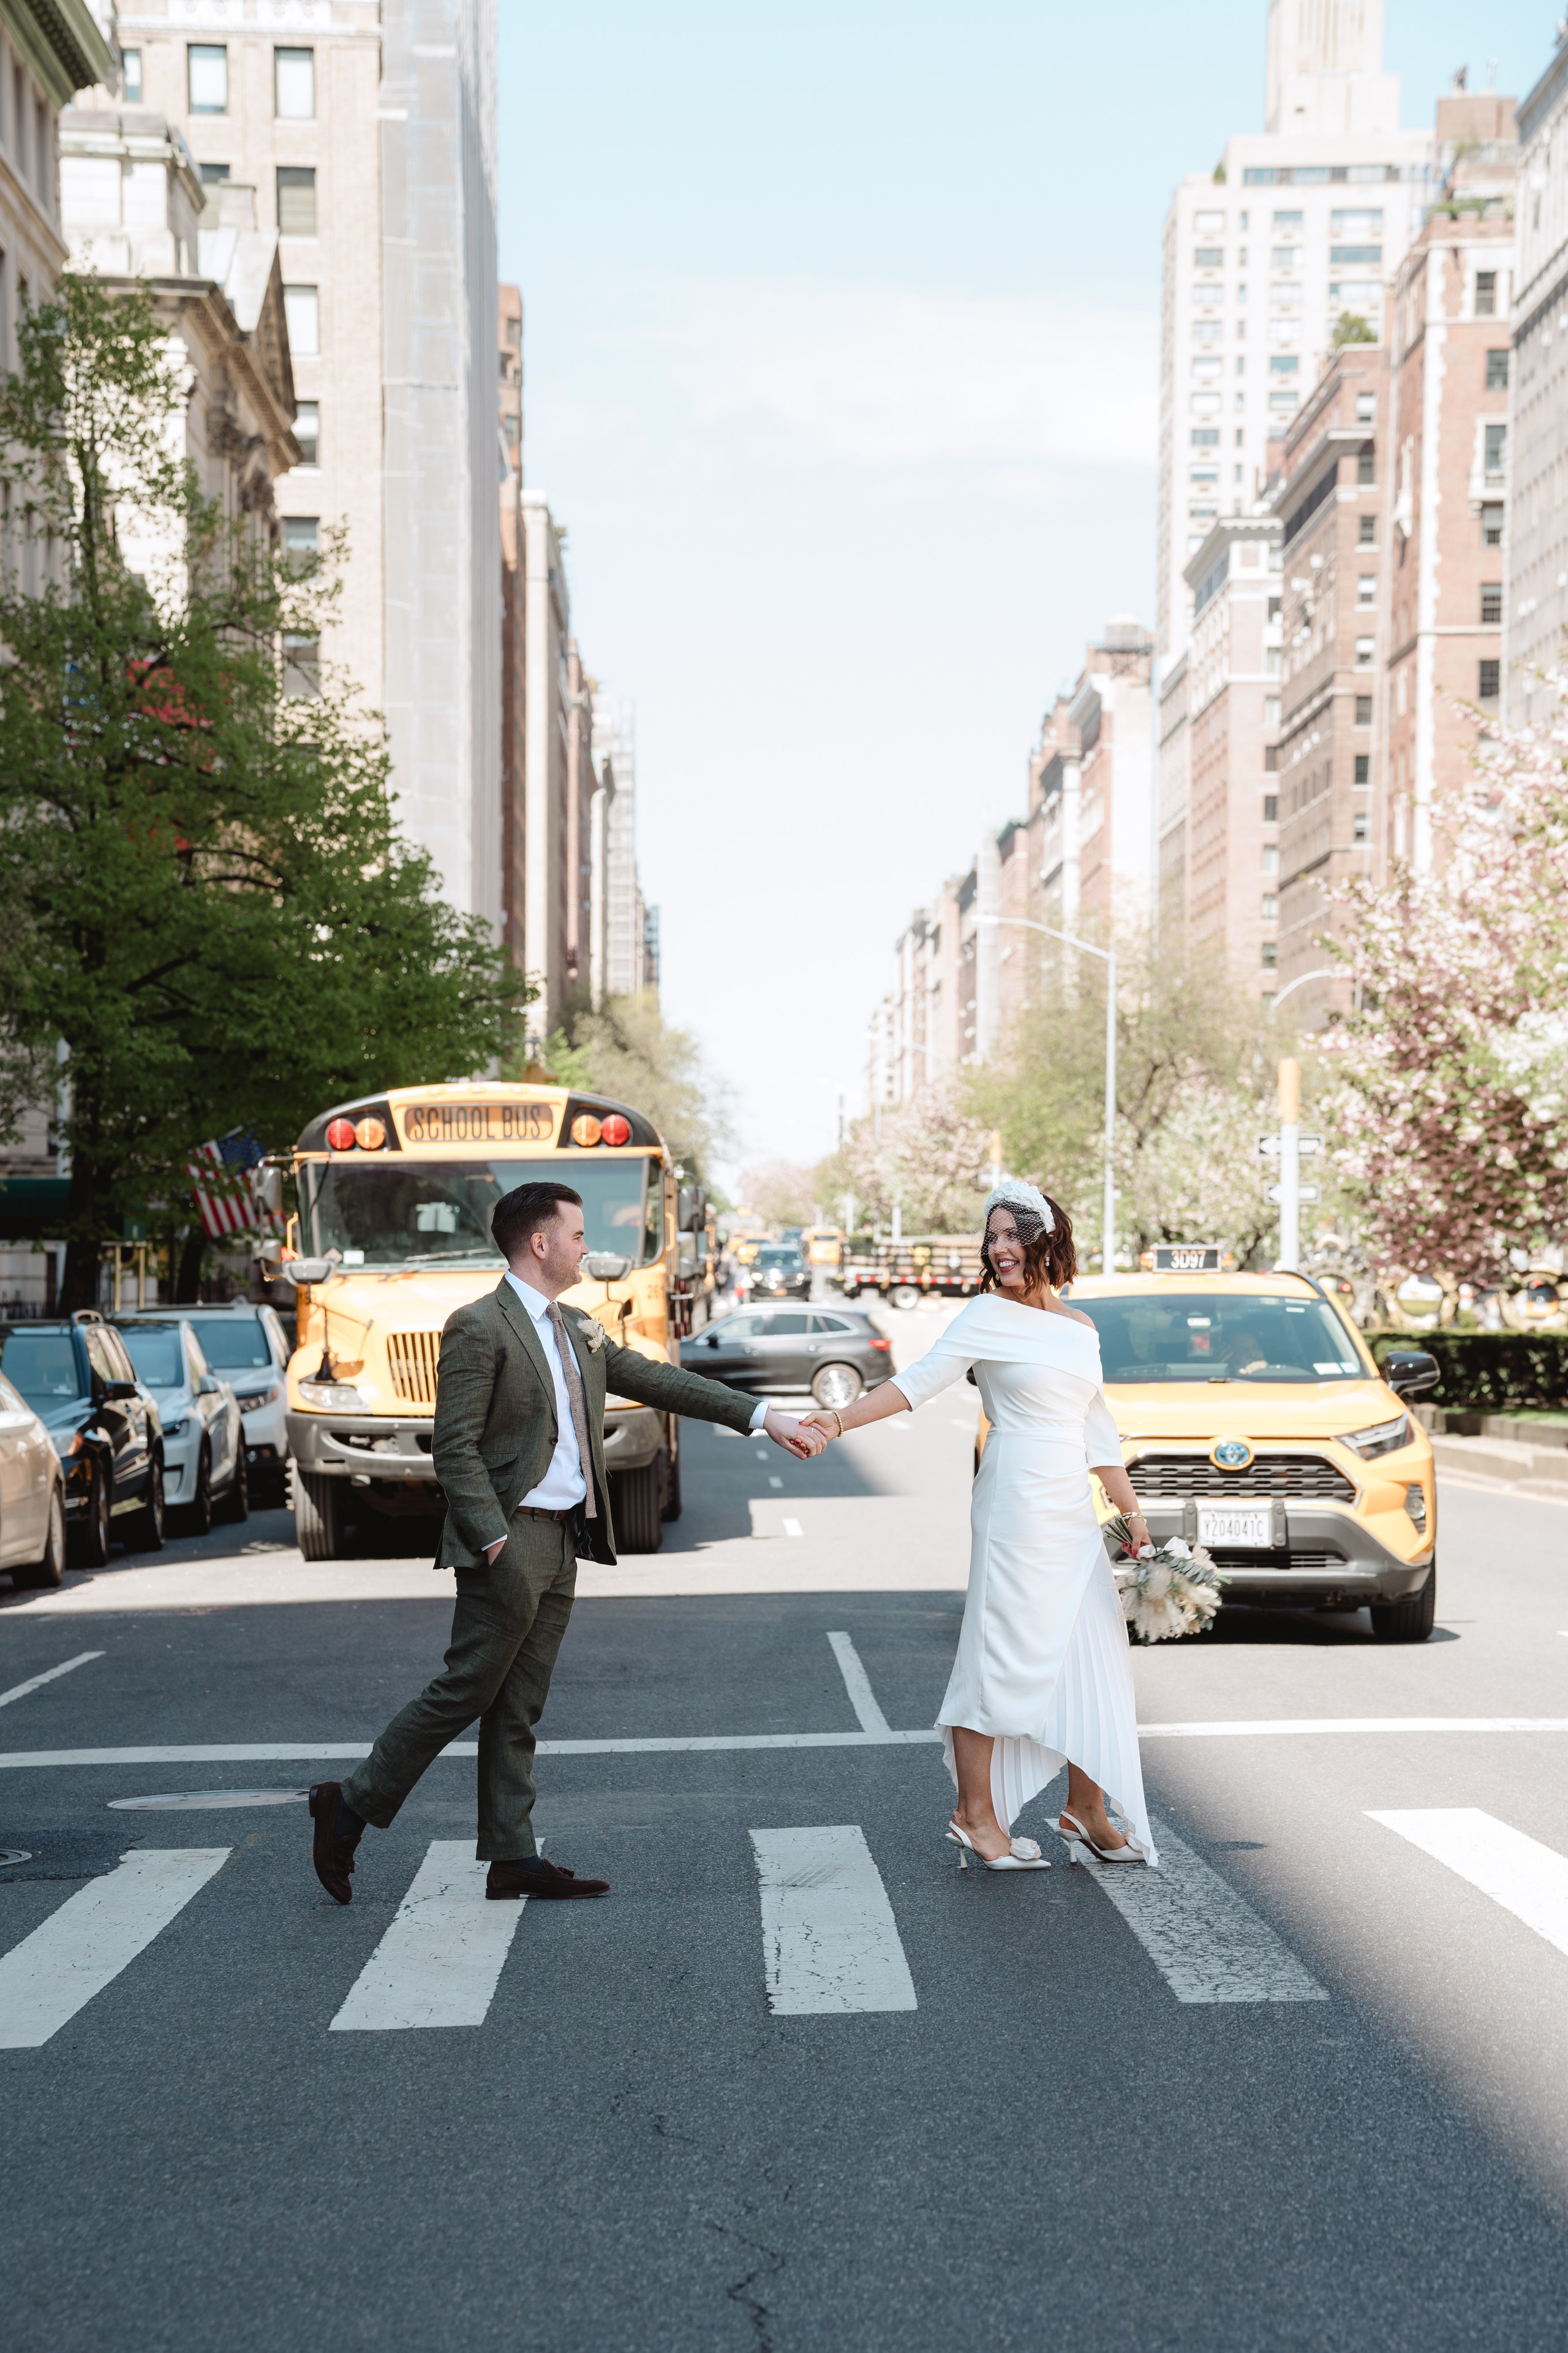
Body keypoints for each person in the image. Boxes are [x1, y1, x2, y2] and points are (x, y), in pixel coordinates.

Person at [308, 1180, 824, 1906]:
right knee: (466, 1688)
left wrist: (763, 1415)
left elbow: (656, 1379)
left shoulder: (578, 1327)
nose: (589, 1248)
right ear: (541, 1243)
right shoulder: (477, 1326)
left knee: (518, 1704)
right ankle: (350, 1803)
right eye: (578, 1235)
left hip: (561, 1538)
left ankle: (513, 1856)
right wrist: (491, 1539)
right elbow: (451, 1447)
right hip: (510, 1536)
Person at [802, 1178, 1155, 1873]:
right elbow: (918, 1382)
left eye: (1010, 1235)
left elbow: (1098, 1430)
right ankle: (973, 1815)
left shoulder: (1080, 1328)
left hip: (1071, 1510)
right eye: (990, 1237)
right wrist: (838, 1420)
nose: (998, 1249)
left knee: (1091, 1652)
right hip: (1015, 1501)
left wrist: (1133, 1517)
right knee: (999, 1651)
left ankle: (1086, 1810)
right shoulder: (984, 1315)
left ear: (1045, 1238)